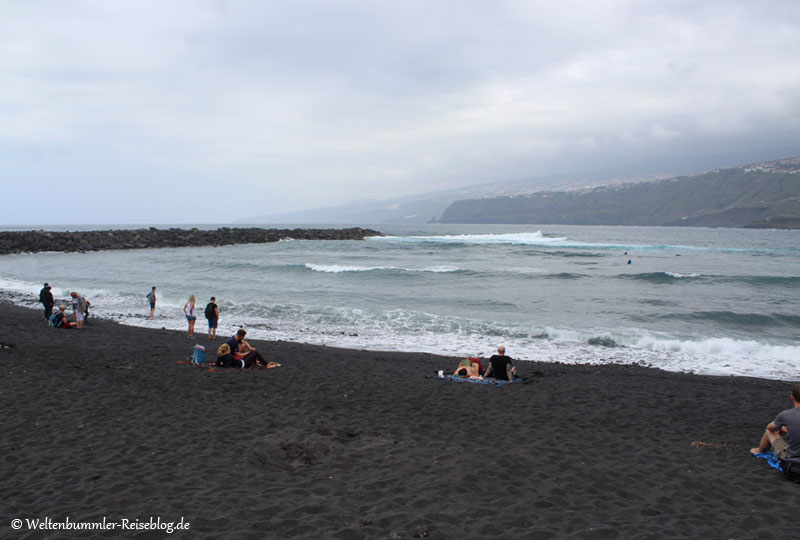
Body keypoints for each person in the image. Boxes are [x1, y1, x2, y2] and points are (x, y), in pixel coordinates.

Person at [750, 384, 800, 469]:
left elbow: (770, 427)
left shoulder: (786, 415)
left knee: (769, 432)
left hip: (793, 459)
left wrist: (783, 428)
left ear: (792, 397)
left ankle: (759, 451)